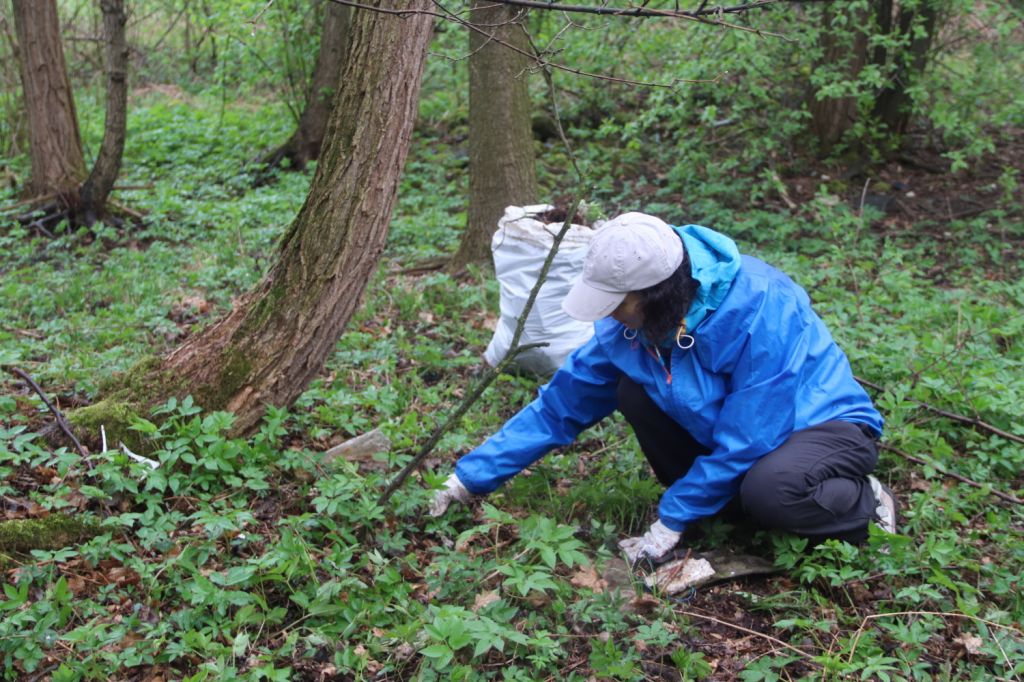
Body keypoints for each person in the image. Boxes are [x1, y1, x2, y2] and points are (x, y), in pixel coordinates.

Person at [430, 212, 897, 563]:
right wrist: (468, 479)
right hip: (733, 432)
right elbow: (559, 407)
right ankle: (721, 505)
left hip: (820, 425)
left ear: (658, 294)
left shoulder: (760, 307)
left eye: (618, 303)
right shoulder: (630, 327)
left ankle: (863, 503)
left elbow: (752, 435)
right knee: (632, 391)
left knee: (771, 492)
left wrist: (672, 516)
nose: (609, 314)